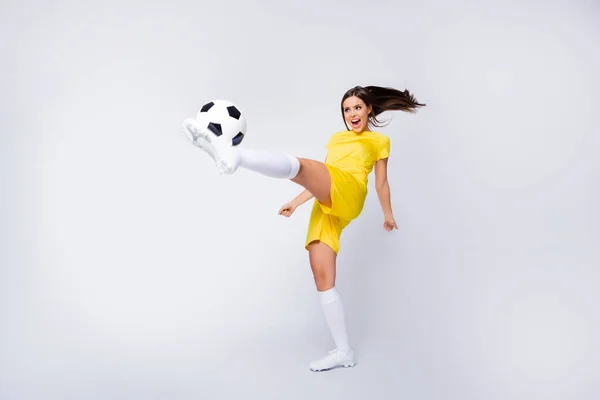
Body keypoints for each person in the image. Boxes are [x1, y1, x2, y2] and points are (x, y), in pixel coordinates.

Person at [182, 85, 425, 371]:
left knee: (301, 165)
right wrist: (295, 203)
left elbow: (380, 182)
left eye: (357, 107)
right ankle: (344, 351)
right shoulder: (337, 139)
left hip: (349, 190)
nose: (352, 114)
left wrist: (388, 214)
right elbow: (317, 177)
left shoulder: (380, 141)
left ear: (369, 108)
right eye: (347, 109)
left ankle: (237, 156)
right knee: (323, 278)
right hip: (328, 204)